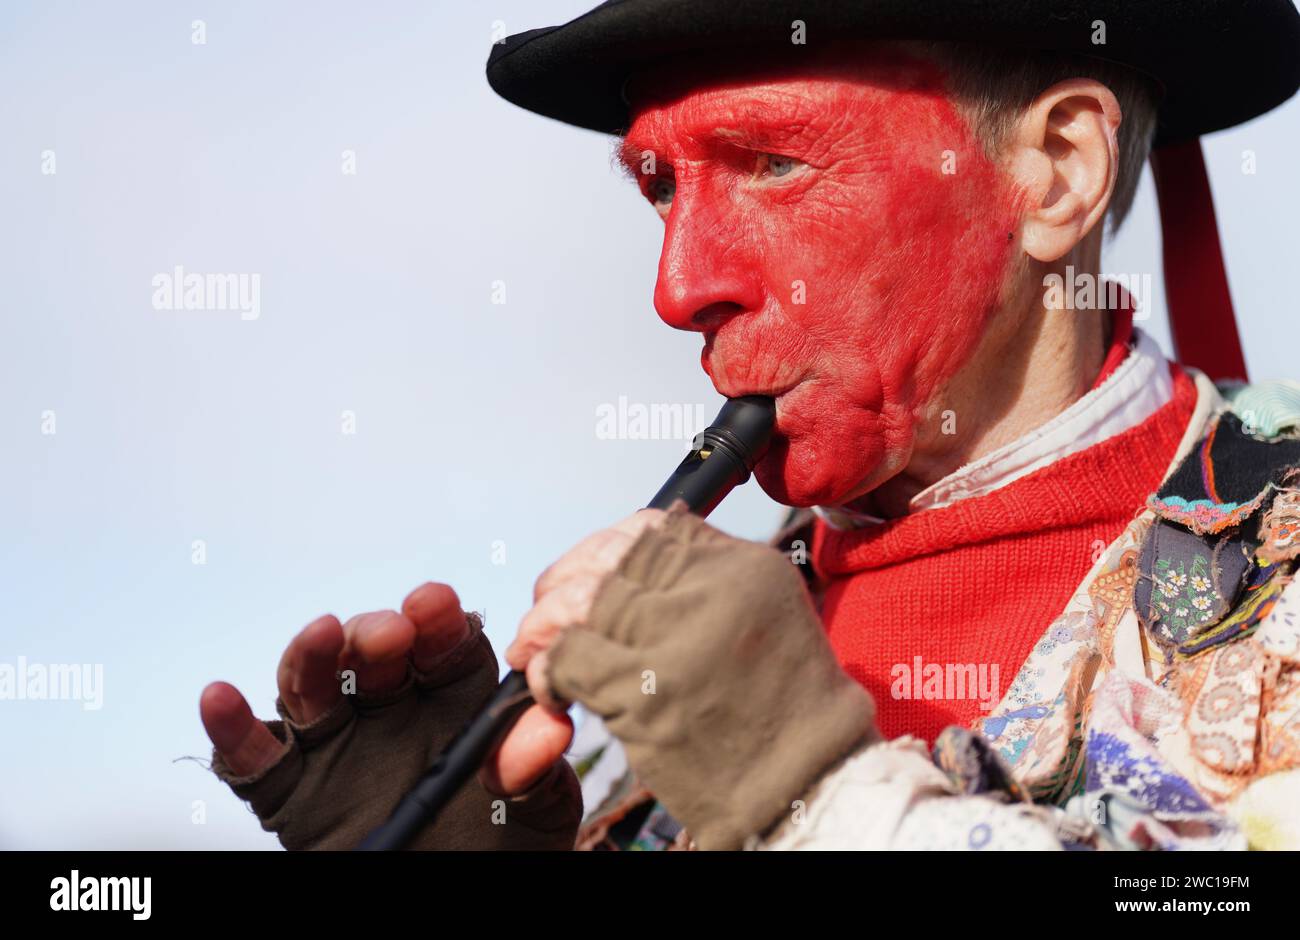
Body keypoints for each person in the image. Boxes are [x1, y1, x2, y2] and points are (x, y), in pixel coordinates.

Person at [201, 1, 1300, 850]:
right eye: (658, 187)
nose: (677, 288)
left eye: (774, 162)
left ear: (1056, 169)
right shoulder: (658, 688)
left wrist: (805, 790)